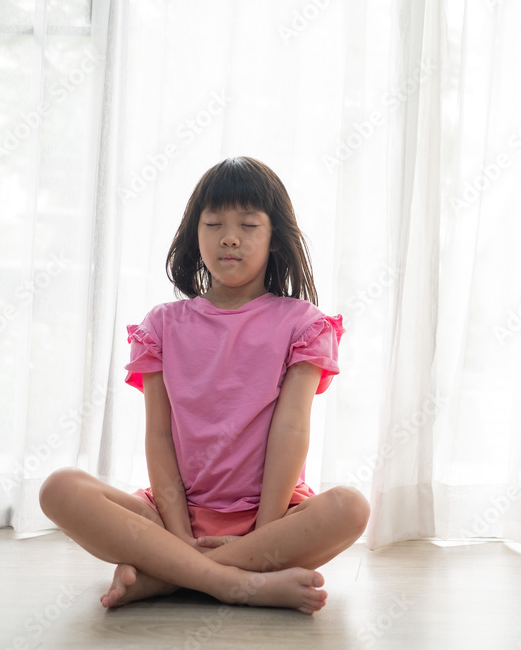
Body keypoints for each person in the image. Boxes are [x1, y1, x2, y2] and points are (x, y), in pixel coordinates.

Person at [40, 157, 369, 615]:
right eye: (213, 223)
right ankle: (233, 582)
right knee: (59, 488)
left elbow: (291, 430)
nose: (229, 236)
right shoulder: (161, 325)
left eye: (248, 225)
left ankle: (168, 575)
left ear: (275, 239)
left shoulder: (303, 324)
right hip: (172, 515)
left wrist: (265, 527)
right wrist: (176, 531)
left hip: (271, 519)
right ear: (195, 234)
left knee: (351, 507)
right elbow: (158, 435)